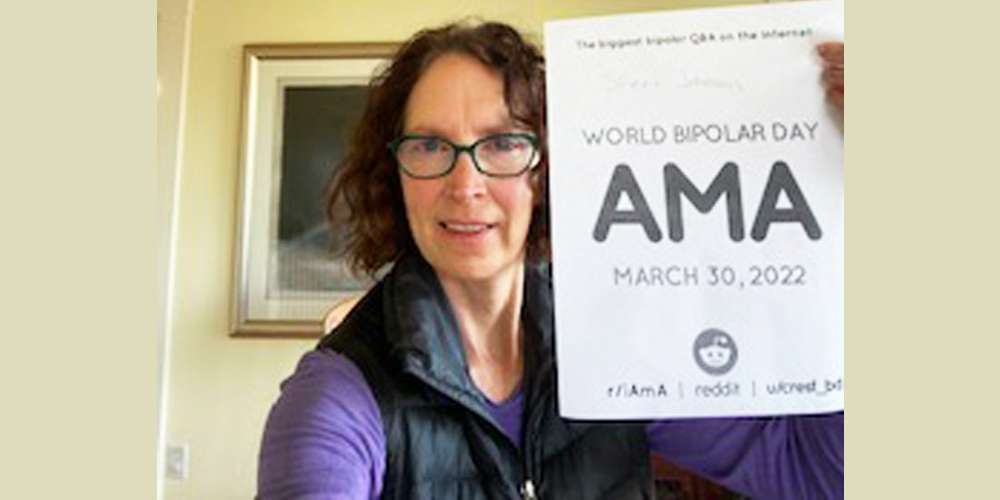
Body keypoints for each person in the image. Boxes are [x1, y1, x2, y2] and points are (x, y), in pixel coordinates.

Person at [258, 20, 845, 499]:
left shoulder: (618, 344)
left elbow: (816, 476)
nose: (467, 184)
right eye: (431, 145)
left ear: (548, 168)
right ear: (395, 171)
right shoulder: (337, 396)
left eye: (504, 143)